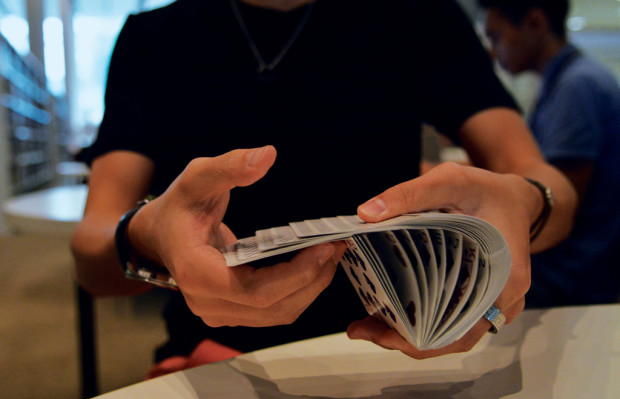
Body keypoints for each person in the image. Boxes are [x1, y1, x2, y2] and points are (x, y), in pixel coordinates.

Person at [71, 0, 577, 374]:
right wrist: (149, 232)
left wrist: (527, 200)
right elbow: (91, 253)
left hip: (403, 366)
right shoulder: (155, 38)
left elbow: (548, 184)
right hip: (217, 369)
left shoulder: (420, 18)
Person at [478, 0, 620, 307]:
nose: (492, 50)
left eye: (496, 36)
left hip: (573, 275)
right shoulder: (569, 80)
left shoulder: (577, 86)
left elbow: (559, 203)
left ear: (534, 22)